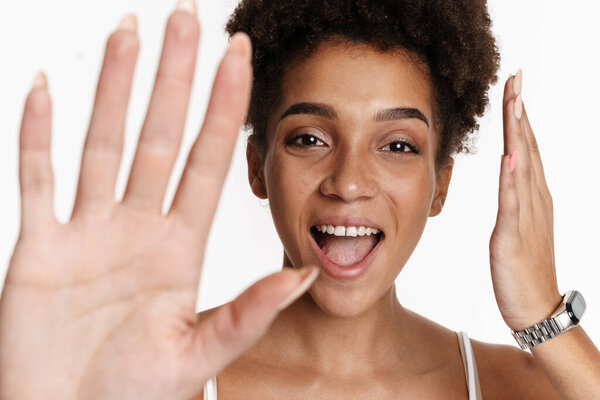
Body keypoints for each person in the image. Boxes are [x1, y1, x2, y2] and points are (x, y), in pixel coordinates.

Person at [1, 0, 599, 399]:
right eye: (309, 138)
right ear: (259, 167)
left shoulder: (518, 386)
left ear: (440, 183)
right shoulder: (159, 377)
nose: (349, 181)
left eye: (396, 144)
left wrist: (546, 317)